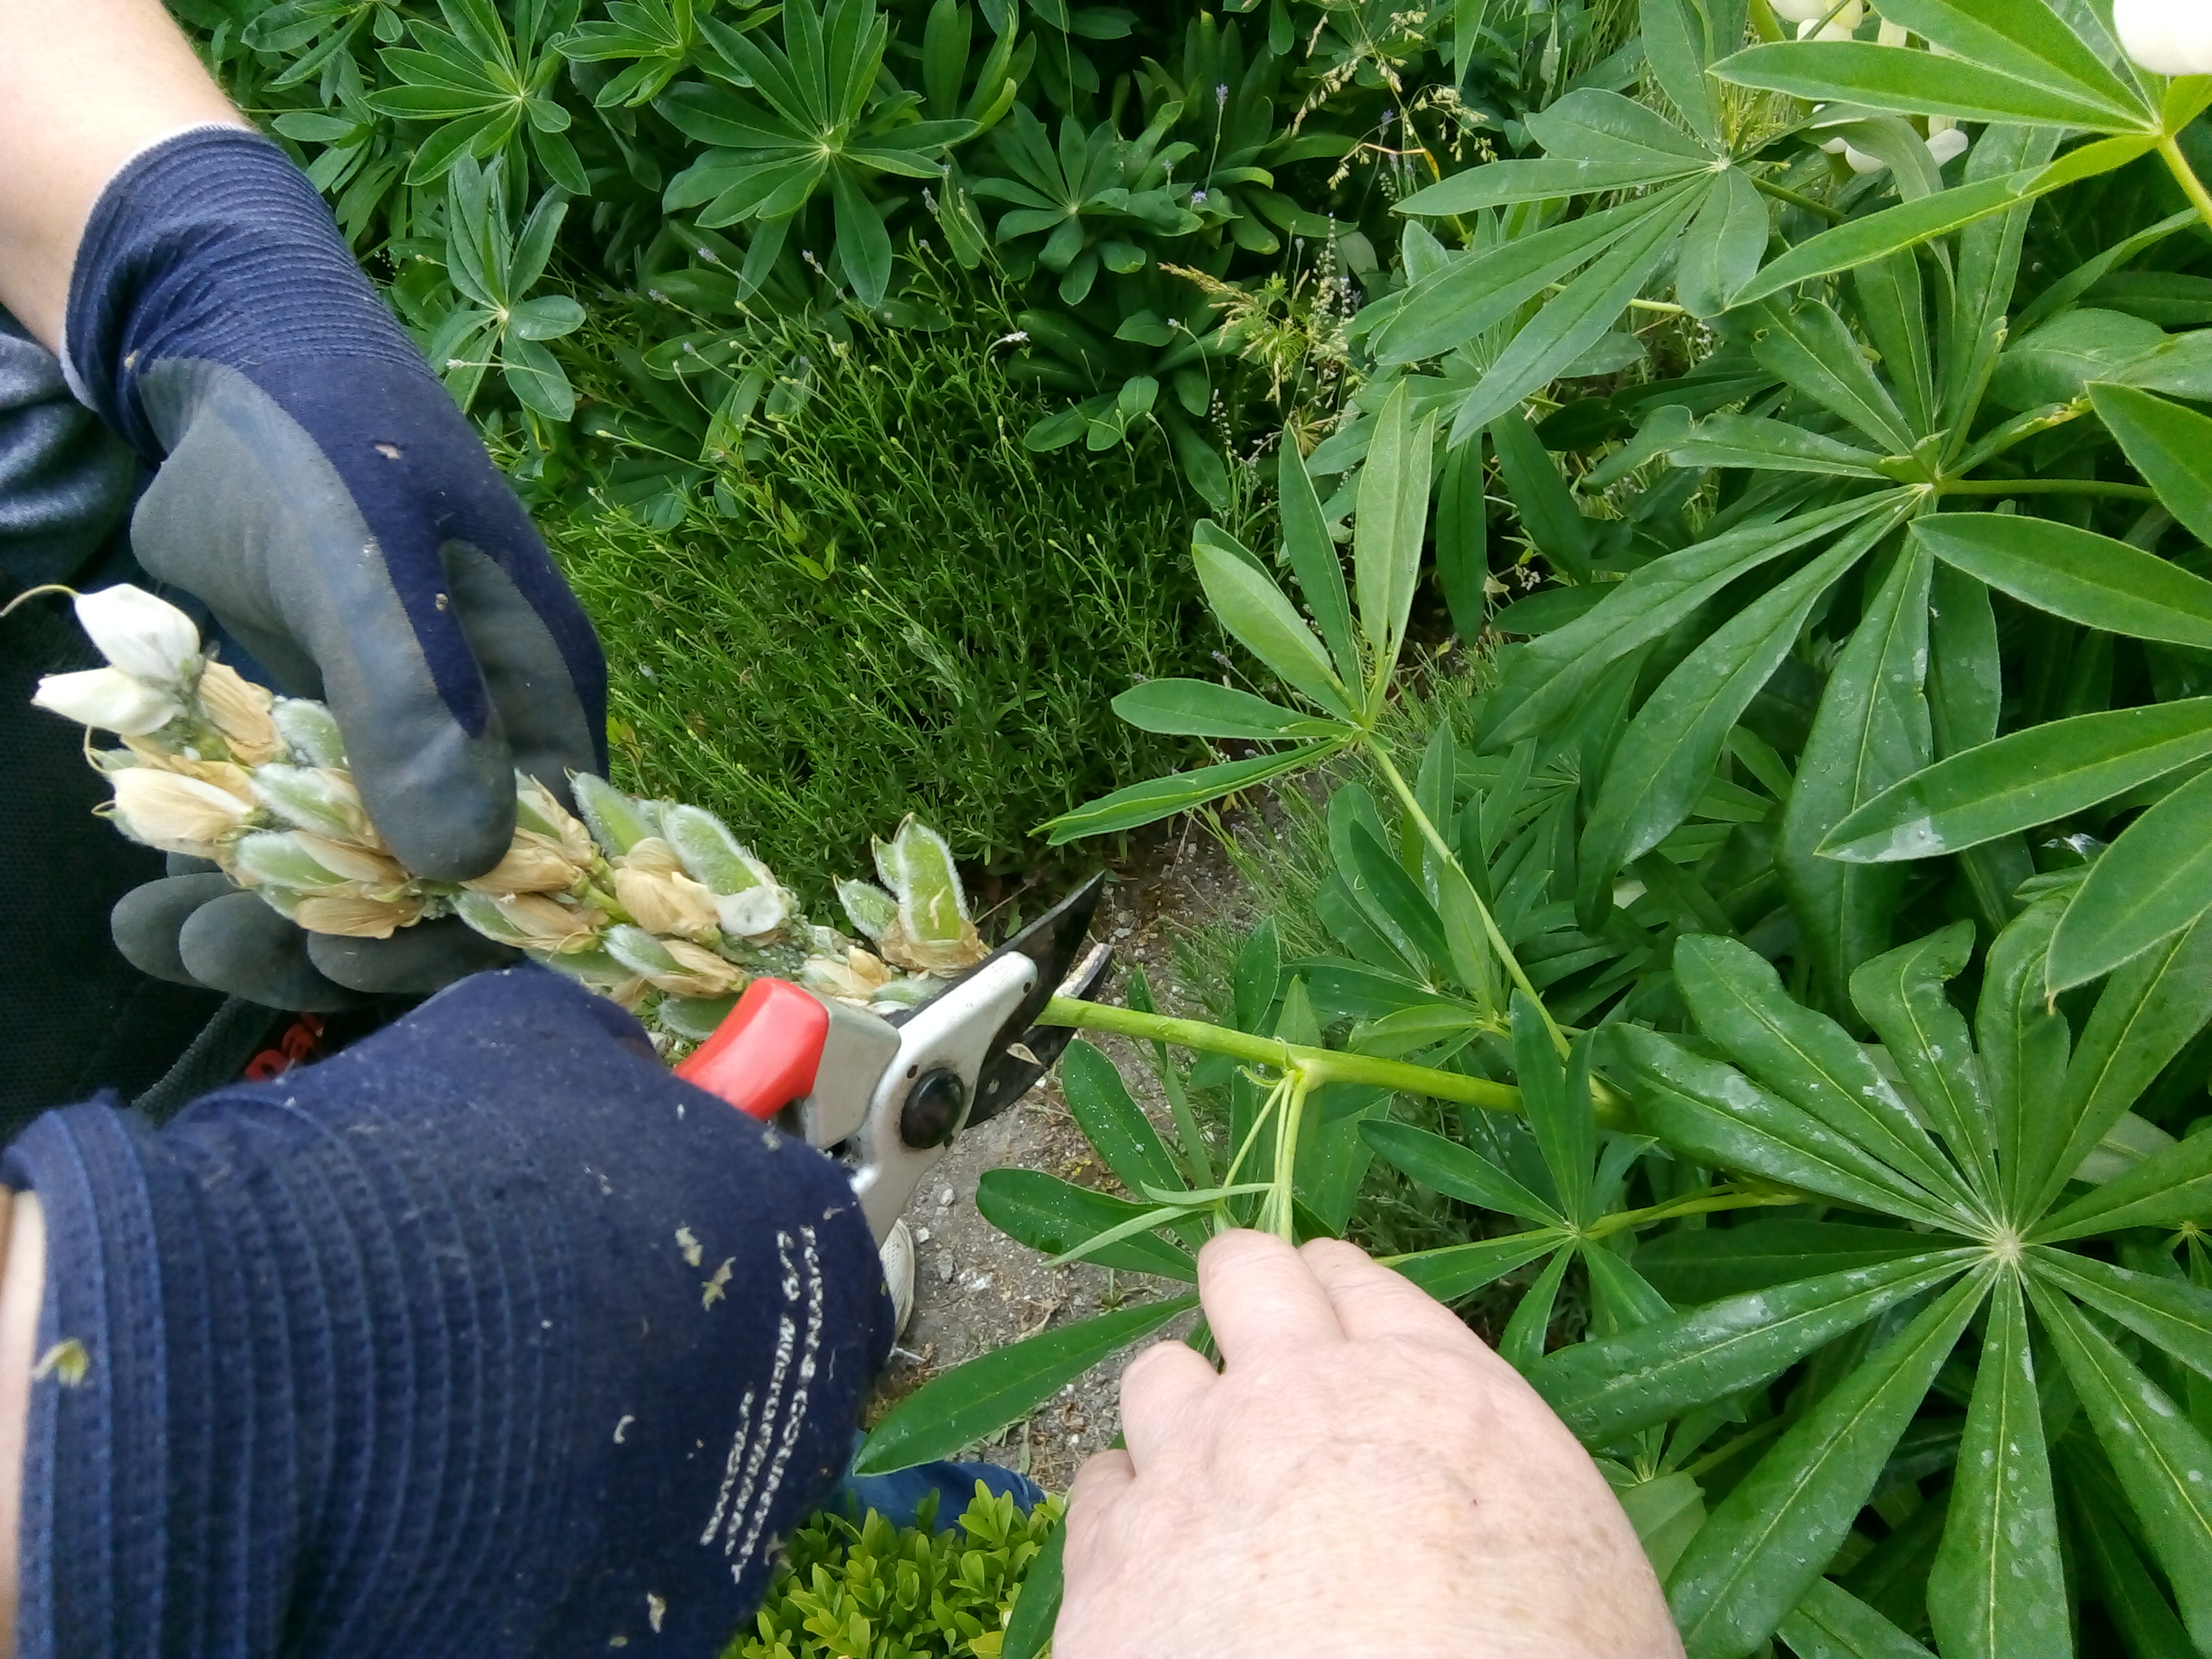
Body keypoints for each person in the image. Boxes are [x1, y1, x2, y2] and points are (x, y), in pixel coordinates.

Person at [0, 3, 1683, 1654]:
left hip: (264, 983)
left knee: (752, 1421)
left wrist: (175, 246)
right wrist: (145, 1432)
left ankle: (827, 1374)